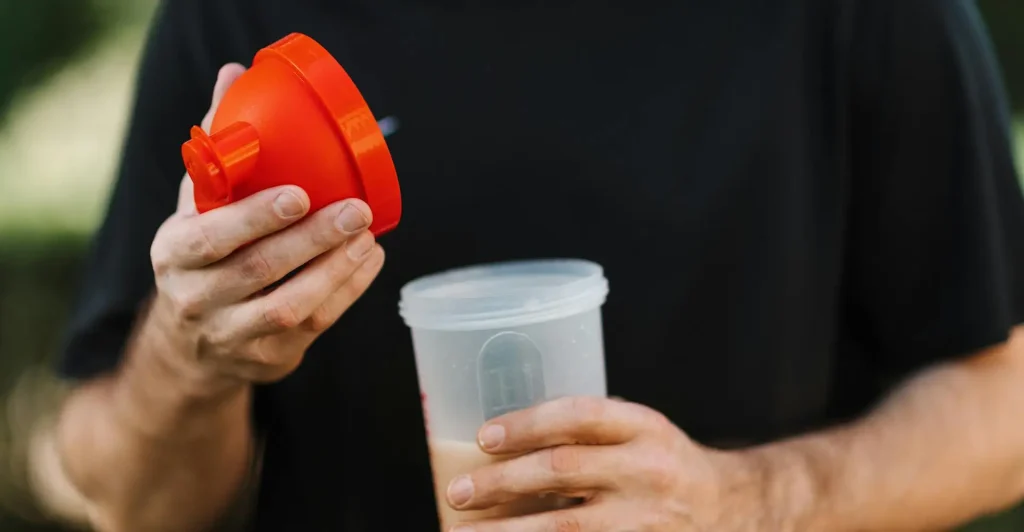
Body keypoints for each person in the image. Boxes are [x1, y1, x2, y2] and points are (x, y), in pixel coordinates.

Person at [20, 0, 1024, 530]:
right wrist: (192, 364)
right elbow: (127, 499)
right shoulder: (241, 23)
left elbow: (1002, 405)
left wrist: (751, 501)